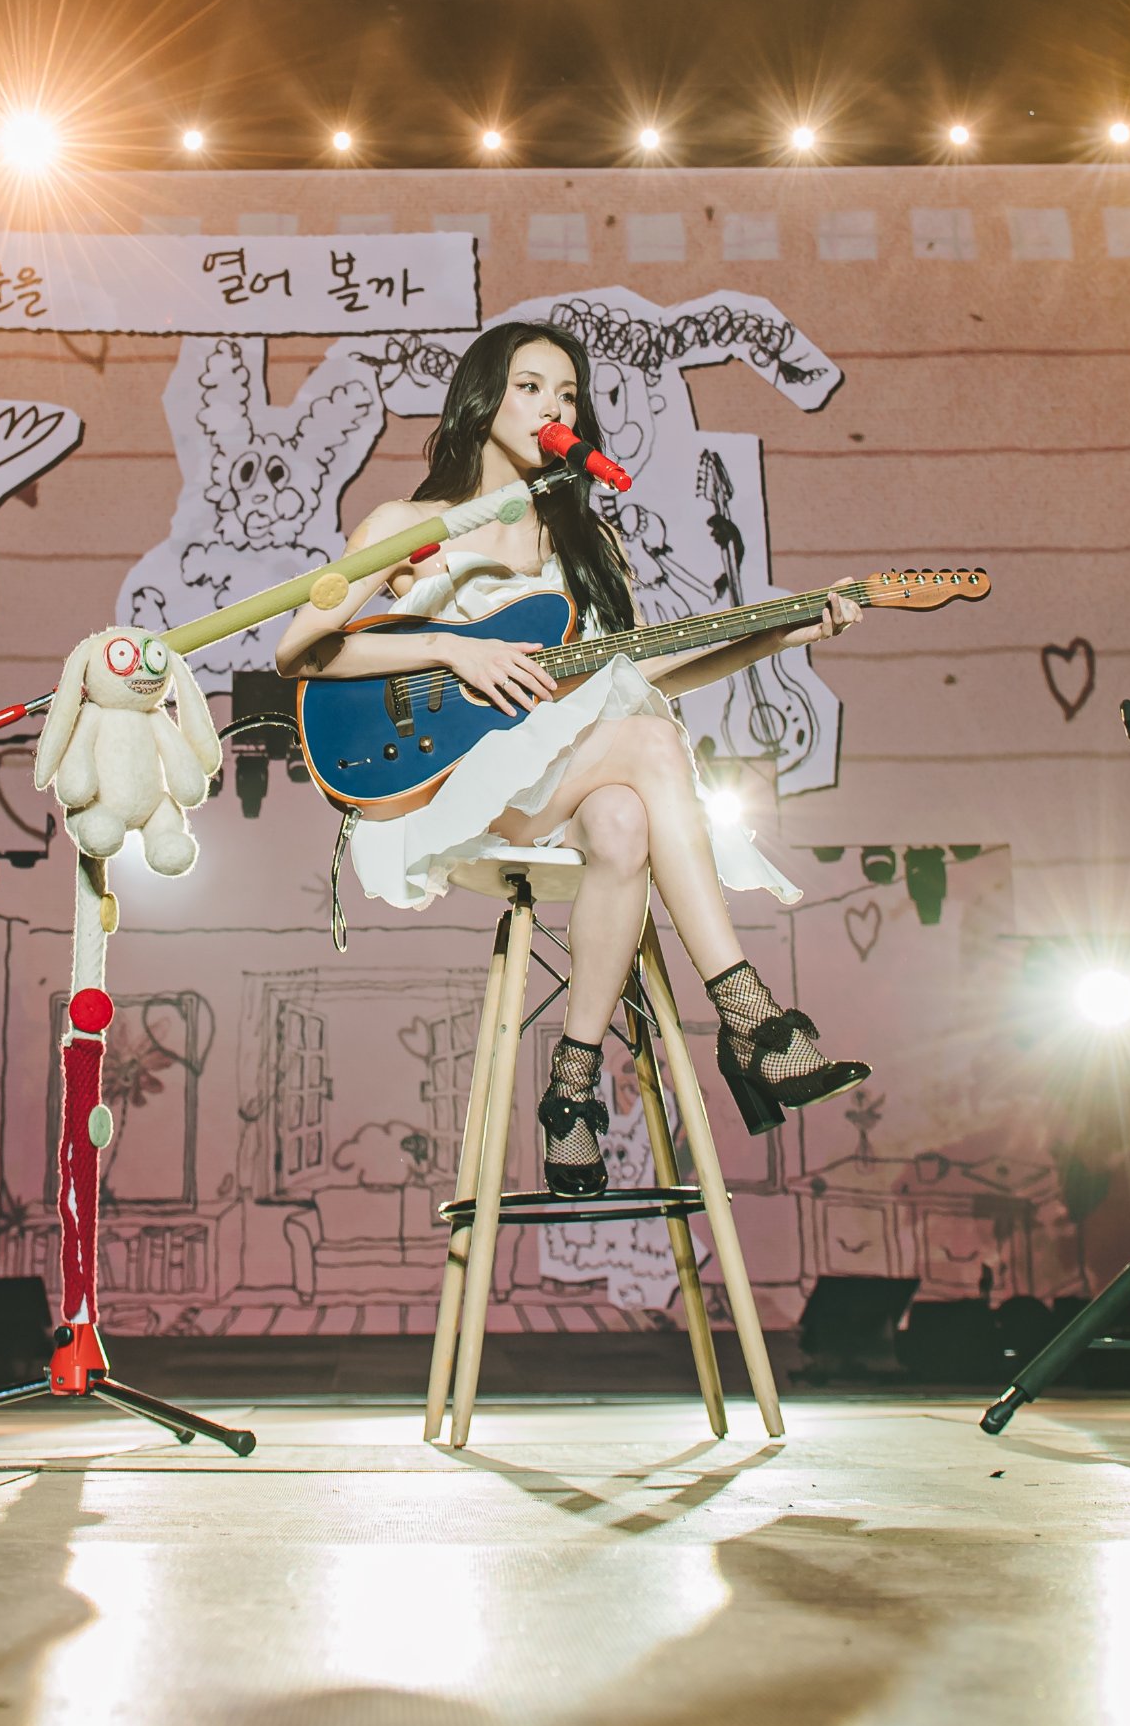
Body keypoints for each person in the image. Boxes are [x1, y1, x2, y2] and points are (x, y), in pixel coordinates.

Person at [277, 320, 868, 1196]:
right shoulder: (408, 524)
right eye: (530, 387)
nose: (554, 407)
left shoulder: (588, 545)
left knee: (625, 814)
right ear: (483, 400)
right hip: (457, 784)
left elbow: (636, 674)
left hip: (565, 781)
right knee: (651, 740)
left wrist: (776, 635)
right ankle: (749, 1014)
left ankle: (573, 1087)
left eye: (567, 394)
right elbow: (301, 649)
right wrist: (453, 649)